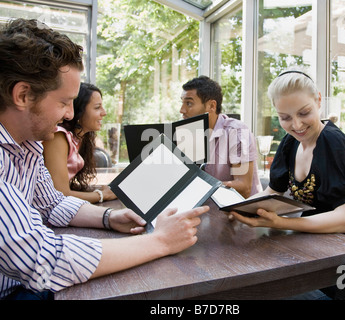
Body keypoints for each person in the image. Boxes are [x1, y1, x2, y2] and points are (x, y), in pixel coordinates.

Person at [0, 18, 208, 300]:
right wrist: (160, 241)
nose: (70, 115)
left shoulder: (27, 145)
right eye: (63, 102)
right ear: (23, 95)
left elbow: (51, 203)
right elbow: (45, 258)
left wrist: (110, 217)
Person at [229, 70, 345, 300]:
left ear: (318, 100)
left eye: (304, 113)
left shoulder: (335, 143)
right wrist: (238, 210)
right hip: (313, 250)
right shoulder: (290, 142)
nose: (296, 125)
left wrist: (280, 221)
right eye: (284, 117)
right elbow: (272, 192)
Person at [180, 76, 262, 198]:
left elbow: (244, 187)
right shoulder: (188, 134)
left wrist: (200, 187)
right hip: (201, 214)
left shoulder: (237, 132)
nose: (182, 110)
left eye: (189, 103)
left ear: (212, 106)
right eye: (182, 103)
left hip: (235, 214)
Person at [42, 82, 116, 204]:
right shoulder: (58, 137)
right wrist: (102, 195)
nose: (104, 113)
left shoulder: (80, 139)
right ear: (79, 110)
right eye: (97, 107)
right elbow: (61, 193)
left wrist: (97, 190)